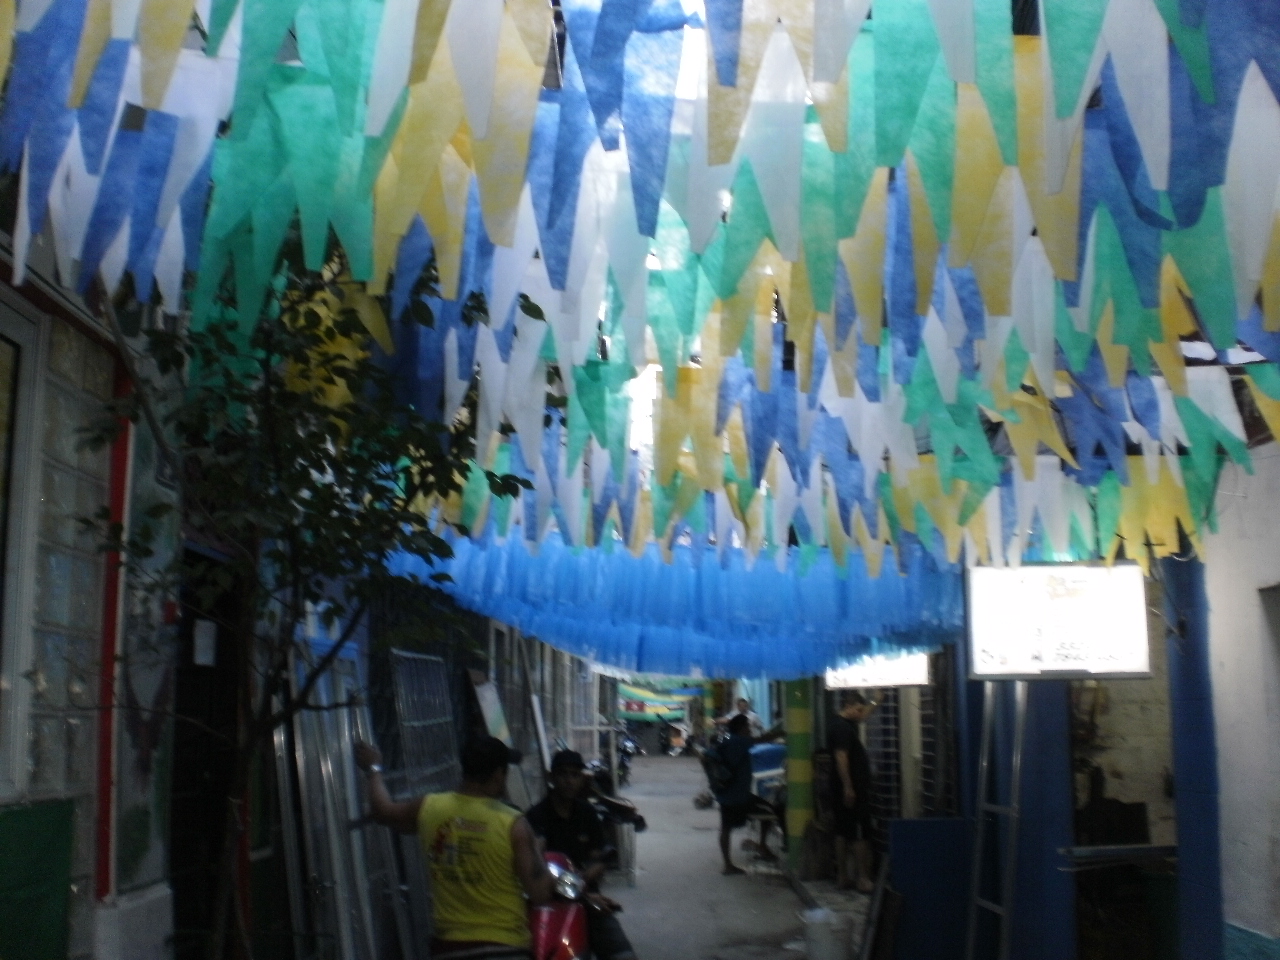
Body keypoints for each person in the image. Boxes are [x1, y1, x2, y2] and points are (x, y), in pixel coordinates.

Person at [356, 736, 555, 960]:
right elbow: (540, 894)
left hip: (450, 949)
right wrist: (537, 850)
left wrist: (373, 768)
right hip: (504, 948)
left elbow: (382, 811)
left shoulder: (430, 808)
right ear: (499, 774)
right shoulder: (513, 824)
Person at [526, 750, 638, 960]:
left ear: (582, 779)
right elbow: (532, 865)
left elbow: (600, 858)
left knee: (623, 954)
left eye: (575, 775)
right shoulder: (535, 816)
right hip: (548, 900)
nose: (569, 781)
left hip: (586, 899)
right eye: (563, 774)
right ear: (552, 777)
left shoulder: (587, 813)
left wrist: (581, 881)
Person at [707, 713, 782, 874]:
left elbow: (715, 743)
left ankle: (728, 864)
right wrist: (780, 732)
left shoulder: (726, 738)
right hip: (739, 795)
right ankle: (762, 846)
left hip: (725, 793)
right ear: (741, 728)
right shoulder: (740, 741)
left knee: (726, 828)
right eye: (747, 726)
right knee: (771, 812)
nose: (749, 729)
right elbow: (761, 739)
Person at [828, 690, 877, 892]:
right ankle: (862, 878)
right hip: (850, 789)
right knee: (858, 833)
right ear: (848, 707)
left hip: (841, 787)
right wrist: (848, 786)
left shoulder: (842, 723)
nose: (860, 714)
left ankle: (843, 877)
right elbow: (841, 757)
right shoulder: (842, 728)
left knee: (842, 831)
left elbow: (864, 714)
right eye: (857, 709)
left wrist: (877, 700)